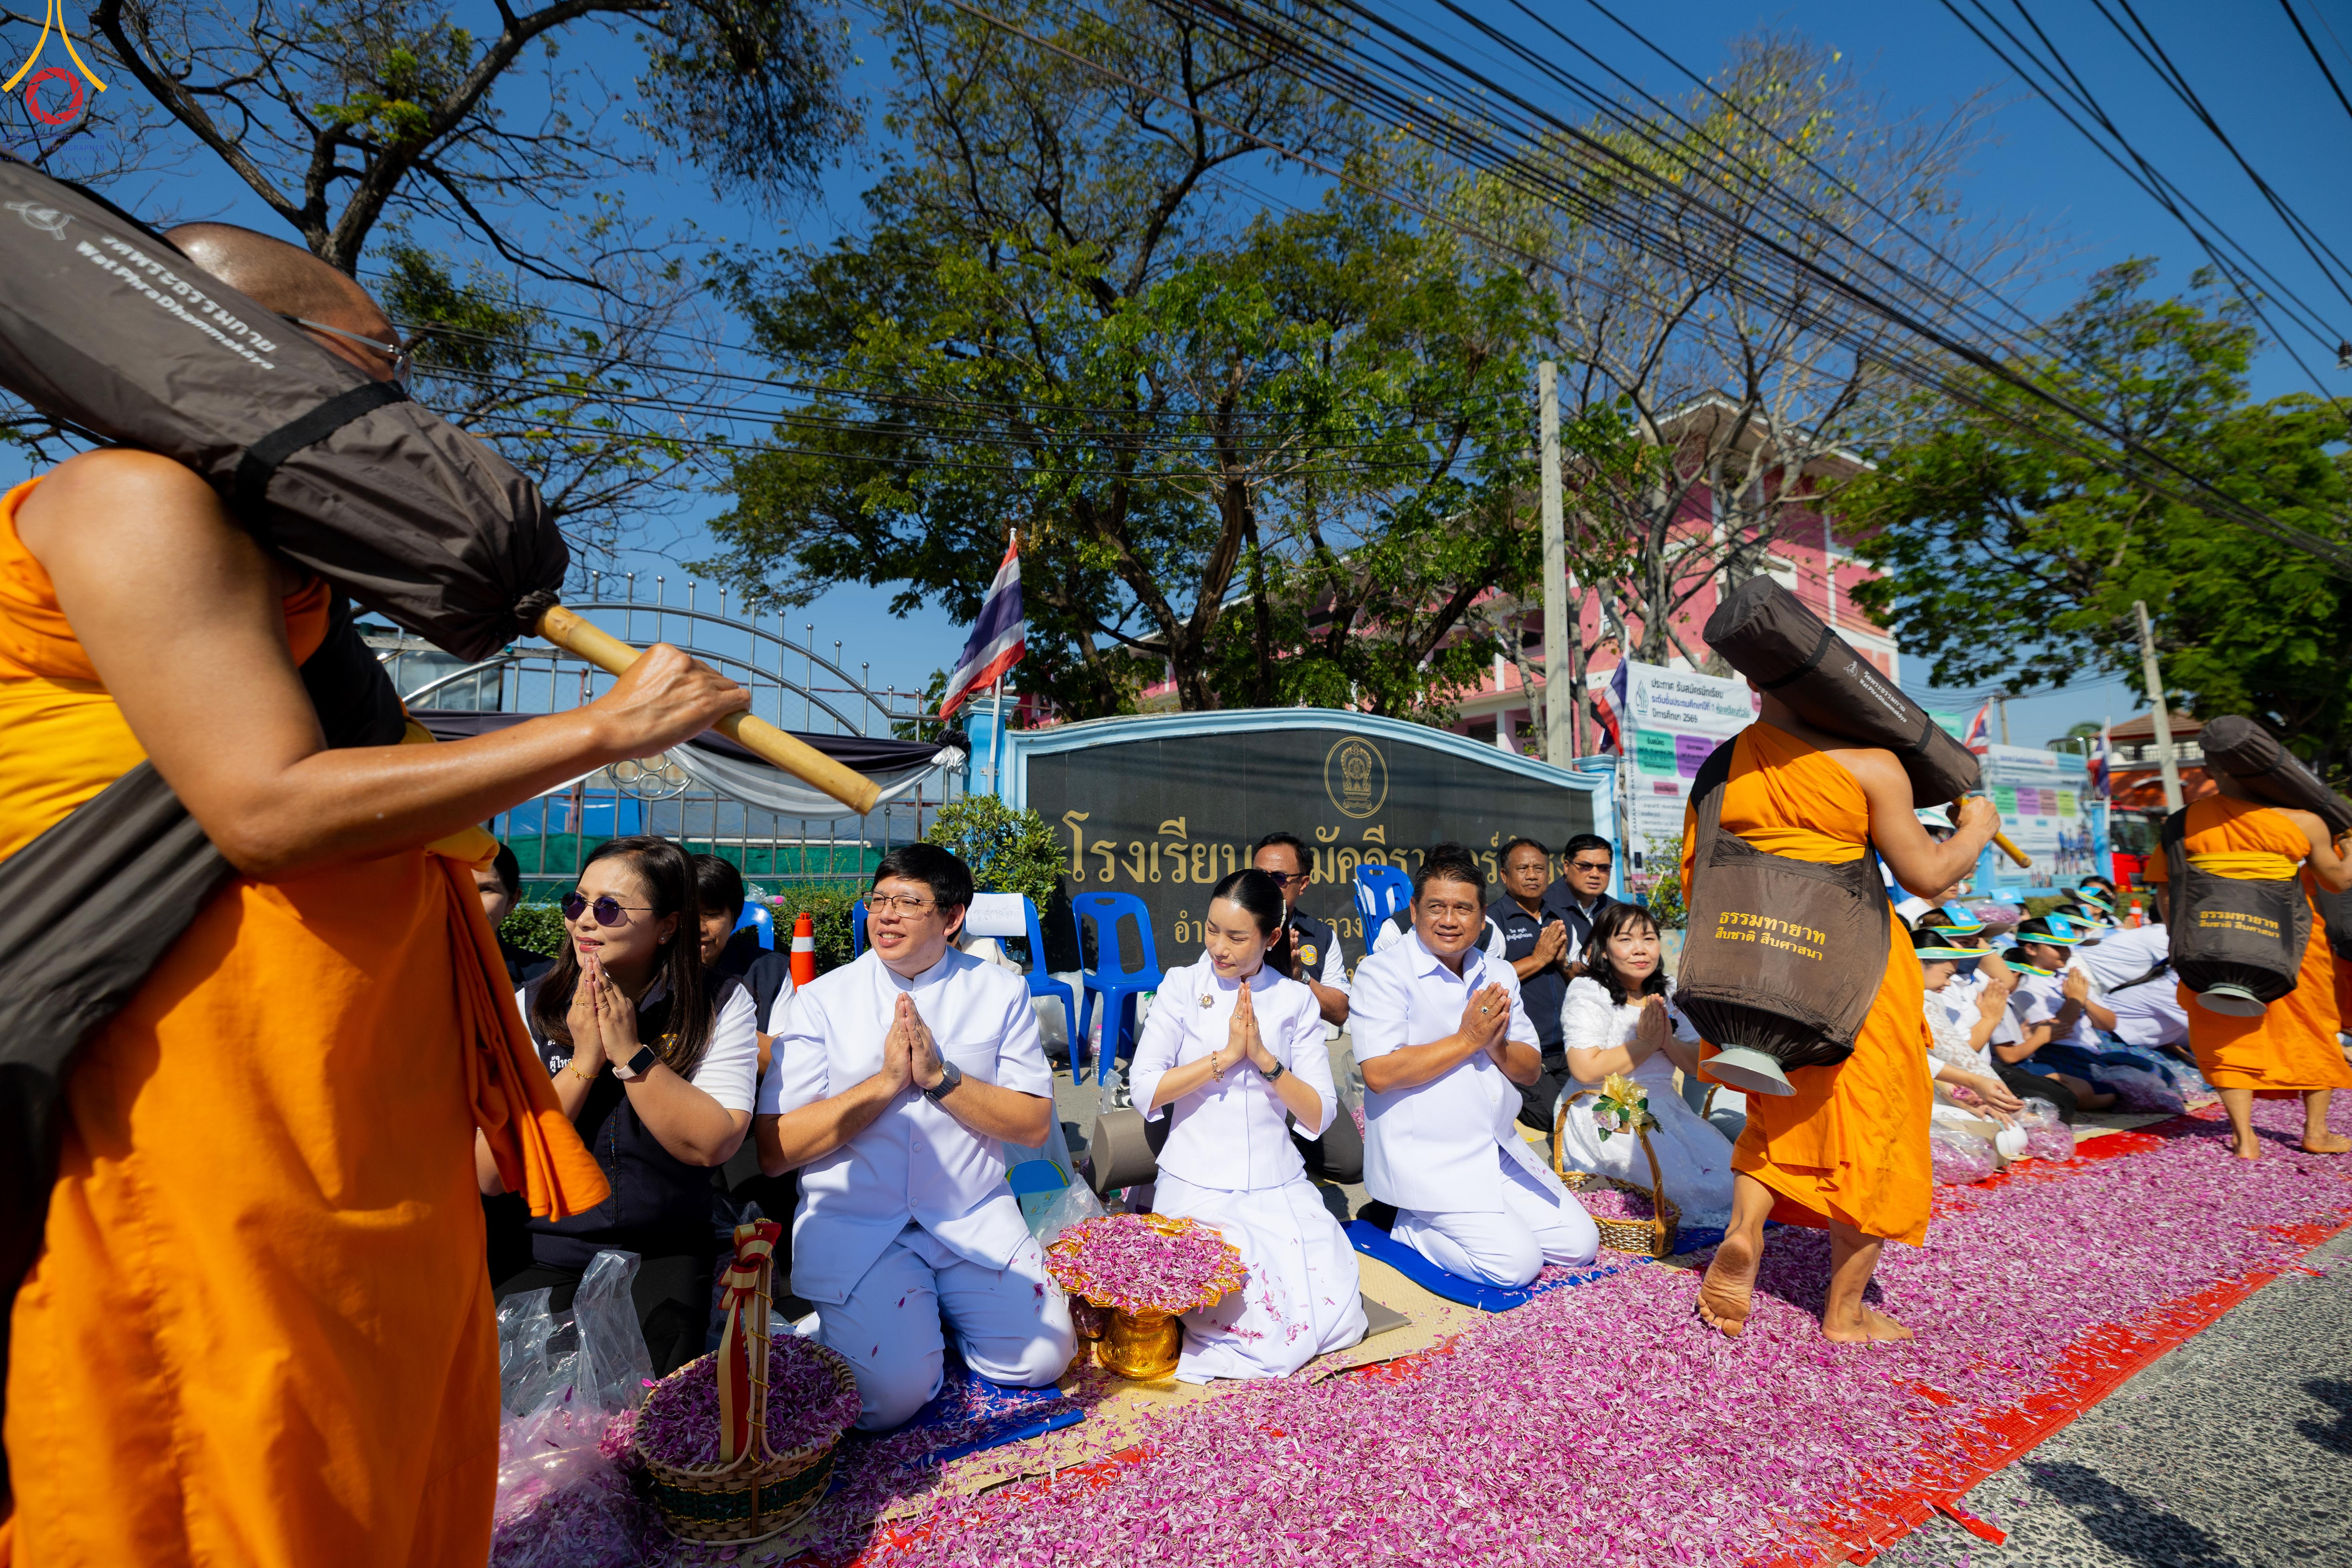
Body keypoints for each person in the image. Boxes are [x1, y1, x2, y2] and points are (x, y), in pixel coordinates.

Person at [0, 223, 742, 1566]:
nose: (400, 408)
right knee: (238, 1439)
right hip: (207, 1108)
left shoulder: (295, 583)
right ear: (245, 355)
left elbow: (419, 803)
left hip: (355, 1115)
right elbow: (265, 807)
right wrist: (600, 730)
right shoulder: (130, 499)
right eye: (374, 366)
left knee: (377, 1439)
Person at [1690, 692, 2001, 1343]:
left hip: (1756, 974)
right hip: (1855, 976)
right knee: (1873, 1135)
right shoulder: (1867, 764)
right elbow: (1926, 872)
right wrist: (1974, 825)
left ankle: (1744, 1231)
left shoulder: (1720, 769)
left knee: (1774, 1119)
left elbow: (1699, 881)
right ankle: (1845, 1312)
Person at [754, 844, 1072, 1429]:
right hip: (860, 1225)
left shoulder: (999, 991)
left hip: (969, 1217)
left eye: (908, 903)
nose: (886, 916)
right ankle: (877, 1327)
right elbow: (775, 1151)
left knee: (1042, 1360)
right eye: (879, 901)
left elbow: (1031, 1122)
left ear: (952, 919)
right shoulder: (822, 1001)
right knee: (888, 1401)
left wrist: (941, 1080)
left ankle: (929, 1317)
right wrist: (884, 1086)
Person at [488, 837, 762, 1373]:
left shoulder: (720, 1002)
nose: (585, 921)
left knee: (644, 1419)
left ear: (666, 926)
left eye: (609, 908)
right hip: (545, 1249)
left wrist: (631, 1055)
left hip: (664, 1250)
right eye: (577, 903)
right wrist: (584, 1063)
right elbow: (490, 1169)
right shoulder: (533, 1002)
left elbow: (712, 1143)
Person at [1127, 869, 1368, 1380]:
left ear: (1273, 937)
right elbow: (1145, 1086)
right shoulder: (1180, 986)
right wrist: (1225, 1056)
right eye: (1212, 929)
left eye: (1237, 937)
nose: (1219, 947)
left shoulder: (1294, 1000)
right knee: (1257, 1326)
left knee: (1336, 1313)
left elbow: (1321, 1111)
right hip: (1197, 1181)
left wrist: (1264, 1059)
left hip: (1277, 1181)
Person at [1350, 848, 1598, 1287]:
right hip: (1426, 1158)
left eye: (1463, 908)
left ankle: (1477, 1221)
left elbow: (1529, 1070)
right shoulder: (1381, 972)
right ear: (1414, 911)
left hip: (1494, 1150)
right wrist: (1467, 1040)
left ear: (1483, 917)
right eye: (1436, 907)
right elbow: (1380, 1073)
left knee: (1581, 1246)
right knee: (1515, 1267)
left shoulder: (1497, 971)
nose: (1449, 920)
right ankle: (1405, 1225)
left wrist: (1495, 1044)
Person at [2145, 776, 2352, 1160]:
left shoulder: (2184, 822)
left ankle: (2245, 1138)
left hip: (2208, 946)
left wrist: (2181, 945)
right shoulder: (2303, 821)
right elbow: (2339, 881)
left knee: (2226, 1034)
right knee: (2312, 1031)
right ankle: (2316, 1132)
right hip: (2294, 946)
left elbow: (2167, 890)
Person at [1553, 901, 1736, 1223]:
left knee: (1729, 1175)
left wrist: (1666, 1041)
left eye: (1648, 939)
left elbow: (1697, 1065)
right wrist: (1645, 1044)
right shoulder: (1588, 990)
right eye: (1625, 940)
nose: (1640, 950)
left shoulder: (1669, 990)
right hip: (1606, 1105)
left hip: (1666, 1105)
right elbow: (1584, 1070)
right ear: (1604, 950)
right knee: (1670, 1187)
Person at [1252, 832, 1365, 1184]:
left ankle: (1288, 1143)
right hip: (1236, 1067)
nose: (1267, 886)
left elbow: (1340, 1011)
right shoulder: (1234, 927)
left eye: (1279, 879)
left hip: (1295, 1071)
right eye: (1259, 877)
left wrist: (1299, 979)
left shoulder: (1319, 935)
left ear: (1303, 884)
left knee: (1350, 1163)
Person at [1490, 837, 1575, 1132]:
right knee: (1557, 1119)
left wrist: (1562, 963)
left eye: (1539, 868)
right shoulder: (1492, 921)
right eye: (1522, 868)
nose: (1532, 875)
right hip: (1522, 1049)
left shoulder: (1560, 916)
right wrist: (1538, 959)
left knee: (1589, 1115)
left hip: (1567, 1045)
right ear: (1504, 876)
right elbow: (1486, 982)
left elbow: (1578, 980)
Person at [1996, 916, 2122, 1112]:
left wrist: (2083, 1000)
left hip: (2090, 1050)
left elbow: (2109, 1024)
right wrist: (2075, 1000)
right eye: (2057, 947)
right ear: (2030, 949)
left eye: (2068, 947)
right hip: (2055, 1053)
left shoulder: (2068, 978)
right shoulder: (2026, 984)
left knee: (2149, 1077)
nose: (2066, 953)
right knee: (2105, 1090)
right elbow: (2058, 1029)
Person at [1914, 927, 2028, 1124]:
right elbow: (1953, 1054)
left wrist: (1960, 1093)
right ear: (1919, 964)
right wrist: (1980, 1086)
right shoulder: (1924, 999)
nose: (1949, 983)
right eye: (1947, 974)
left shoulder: (1931, 995)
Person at [478, 839, 551, 984]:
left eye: (486, 889)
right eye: (453, 887)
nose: (468, 902)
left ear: (512, 901)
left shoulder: (546, 979)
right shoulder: (420, 967)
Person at [1542, 832, 1620, 963]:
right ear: (1567, 867)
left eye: (1603, 868)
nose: (1595, 874)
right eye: (1586, 866)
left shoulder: (1617, 910)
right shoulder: (1544, 906)